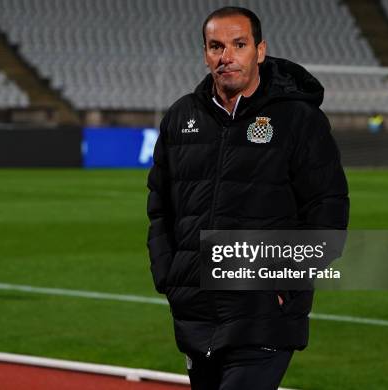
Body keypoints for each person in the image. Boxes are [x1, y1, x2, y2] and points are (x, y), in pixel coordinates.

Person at [146, 6, 349, 390]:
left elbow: (328, 212)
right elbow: (160, 209)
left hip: (264, 317)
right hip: (196, 314)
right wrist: (170, 278)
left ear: (260, 50)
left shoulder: (299, 119)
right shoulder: (180, 116)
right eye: (216, 46)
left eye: (239, 44)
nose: (227, 56)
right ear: (205, 54)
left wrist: (283, 287)